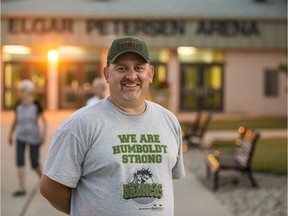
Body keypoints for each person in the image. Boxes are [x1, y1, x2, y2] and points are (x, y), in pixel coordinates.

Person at [40, 36, 185, 215]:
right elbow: (50, 188)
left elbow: (166, 180)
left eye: (139, 68)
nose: (131, 76)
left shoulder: (168, 121)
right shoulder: (79, 125)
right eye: (122, 68)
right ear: (107, 74)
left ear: (150, 74)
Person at [8, 79, 47, 197]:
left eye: (23, 90)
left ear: (29, 91)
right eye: (20, 91)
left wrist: (43, 135)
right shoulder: (18, 105)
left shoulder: (36, 105)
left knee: (34, 163)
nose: (21, 93)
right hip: (21, 136)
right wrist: (10, 134)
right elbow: (15, 121)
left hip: (34, 137)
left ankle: (45, 185)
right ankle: (21, 188)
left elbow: (43, 121)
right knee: (20, 161)